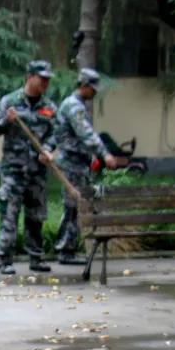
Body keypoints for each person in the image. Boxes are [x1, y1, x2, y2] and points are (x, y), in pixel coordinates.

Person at [0, 60, 60, 276]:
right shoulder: (9, 102)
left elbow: (55, 133)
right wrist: (6, 120)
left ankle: (36, 258)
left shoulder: (49, 108)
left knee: (36, 215)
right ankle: (4, 260)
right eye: (42, 79)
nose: (45, 83)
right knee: (9, 213)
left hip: (37, 171)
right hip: (14, 170)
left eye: (48, 80)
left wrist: (48, 150)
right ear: (29, 77)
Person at [54, 68, 118, 265]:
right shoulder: (74, 106)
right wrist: (104, 153)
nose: (95, 92)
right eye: (93, 88)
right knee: (72, 206)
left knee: (76, 206)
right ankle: (65, 250)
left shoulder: (76, 104)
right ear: (84, 86)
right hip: (72, 164)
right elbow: (86, 134)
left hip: (78, 163)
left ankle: (68, 248)